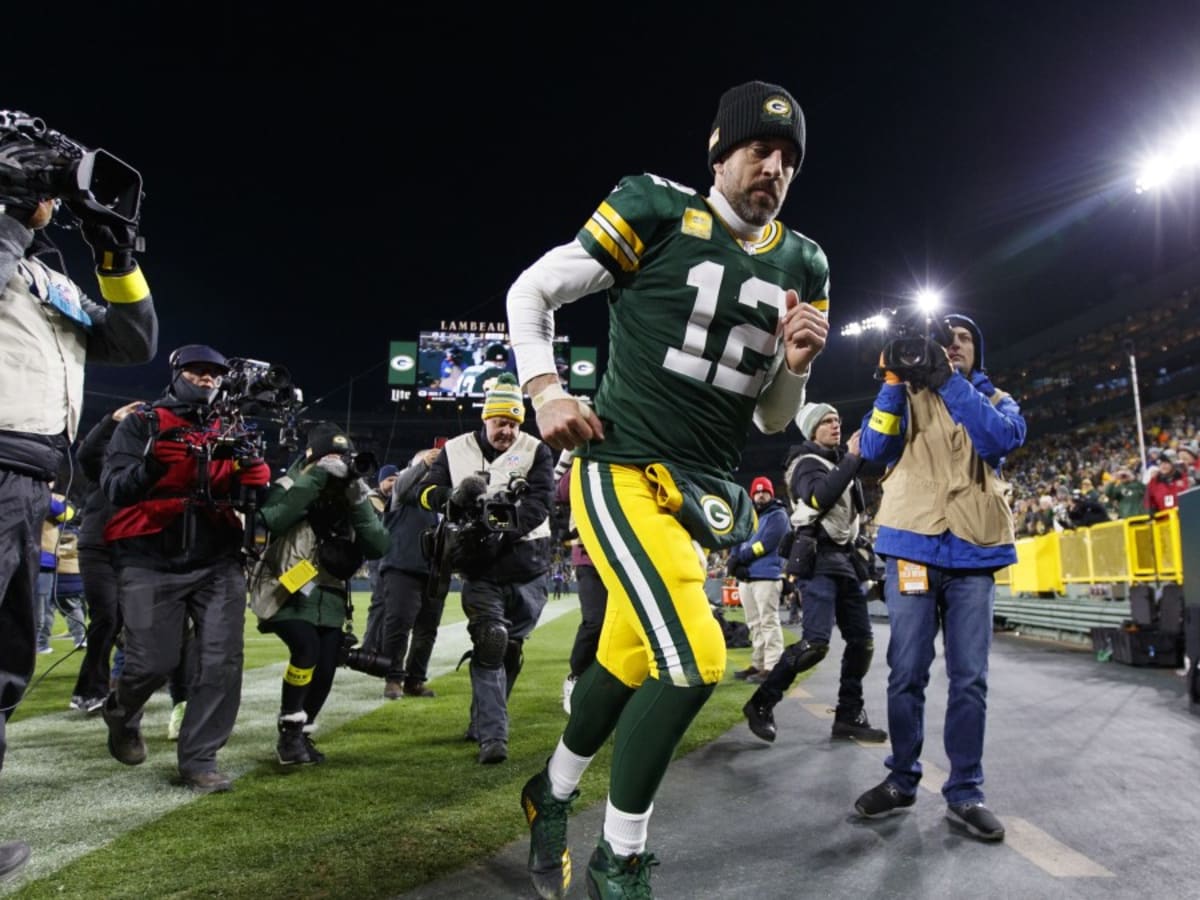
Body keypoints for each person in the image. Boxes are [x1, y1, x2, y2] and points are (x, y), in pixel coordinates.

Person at [507, 79, 829, 898]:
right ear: (719, 152)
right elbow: (532, 291)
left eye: (788, 158)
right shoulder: (653, 208)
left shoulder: (806, 261)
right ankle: (620, 855)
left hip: (701, 493)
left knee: (623, 655)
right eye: (759, 148)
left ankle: (550, 792)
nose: (774, 167)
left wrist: (797, 366)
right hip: (624, 466)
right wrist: (545, 389)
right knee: (695, 657)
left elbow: (772, 419)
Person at [0, 108, 158, 871]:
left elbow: (133, 340)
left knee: (5, 668)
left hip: (27, 483)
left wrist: (113, 250)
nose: (57, 198)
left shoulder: (42, 272)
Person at [853, 313, 1025, 843]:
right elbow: (874, 451)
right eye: (944, 339)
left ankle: (966, 790)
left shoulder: (999, 400)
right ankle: (902, 778)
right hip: (911, 547)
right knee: (906, 669)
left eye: (965, 338)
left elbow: (999, 441)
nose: (954, 343)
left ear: (978, 350)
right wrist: (891, 382)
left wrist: (947, 379)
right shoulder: (903, 396)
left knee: (969, 677)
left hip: (974, 550)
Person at [100, 344, 271, 794]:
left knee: (221, 661)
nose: (208, 380)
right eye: (197, 372)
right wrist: (153, 466)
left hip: (217, 557)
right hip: (150, 556)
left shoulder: (231, 429)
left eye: (214, 374)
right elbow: (114, 488)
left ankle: (199, 759)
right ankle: (121, 710)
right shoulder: (144, 423)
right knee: (151, 662)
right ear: (176, 374)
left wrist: (257, 484)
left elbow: (250, 500)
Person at [417, 374, 555, 765]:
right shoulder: (455, 449)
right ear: (485, 418)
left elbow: (541, 502)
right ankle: (494, 738)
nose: (507, 430)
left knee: (510, 648)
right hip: (478, 568)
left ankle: (482, 721)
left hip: (526, 564)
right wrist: (454, 498)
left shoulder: (537, 450)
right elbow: (426, 491)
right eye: (500, 422)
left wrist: (499, 530)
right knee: (491, 641)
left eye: (513, 423)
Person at [743, 403, 887, 744]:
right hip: (818, 557)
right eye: (826, 421)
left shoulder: (838, 462)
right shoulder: (804, 462)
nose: (835, 425)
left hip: (845, 559)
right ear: (811, 430)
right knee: (814, 645)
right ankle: (761, 703)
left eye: (837, 419)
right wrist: (853, 459)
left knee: (862, 642)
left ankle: (849, 714)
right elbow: (819, 497)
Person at [250, 422, 390, 765]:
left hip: (329, 593)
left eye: (343, 458)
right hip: (284, 586)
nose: (338, 464)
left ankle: (301, 734)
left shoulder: (353, 492)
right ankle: (289, 731)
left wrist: (358, 500)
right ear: (312, 458)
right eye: (331, 457)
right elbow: (273, 520)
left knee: (326, 665)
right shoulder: (289, 483)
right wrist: (314, 480)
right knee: (305, 648)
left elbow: (378, 544)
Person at [70, 401, 144, 713]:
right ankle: (90, 691)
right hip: (98, 549)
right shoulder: (106, 467)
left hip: (134, 552)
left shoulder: (148, 473)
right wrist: (111, 420)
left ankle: (126, 681)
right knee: (107, 618)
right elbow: (85, 454)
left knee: (133, 621)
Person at [377, 446, 443, 701]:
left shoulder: (438, 496)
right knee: (399, 624)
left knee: (428, 629)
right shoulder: (402, 494)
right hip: (402, 567)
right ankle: (393, 678)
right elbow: (401, 485)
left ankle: (415, 679)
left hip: (435, 570)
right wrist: (423, 462)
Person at [554, 451, 608, 716]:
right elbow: (558, 492)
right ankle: (576, 677)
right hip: (589, 556)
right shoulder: (581, 463)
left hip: (625, 554)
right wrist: (575, 457)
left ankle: (611, 685)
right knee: (595, 620)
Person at [726, 476, 788, 684]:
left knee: (768, 622)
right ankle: (758, 664)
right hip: (749, 576)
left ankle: (773, 667)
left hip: (767, 576)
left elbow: (766, 543)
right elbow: (737, 539)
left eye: (765, 491)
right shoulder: (748, 516)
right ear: (753, 495)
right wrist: (735, 561)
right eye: (757, 492)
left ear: (771, 494)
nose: (761, 494)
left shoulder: (778, 515)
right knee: (754, 624)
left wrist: (739, 559)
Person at [361, 462, 400, 655]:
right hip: (377, 557)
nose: (394, 484)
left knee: (390, 604)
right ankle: (369, 646)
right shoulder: (371, 500)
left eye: (397, 480)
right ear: (380, 481)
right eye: (390, 480)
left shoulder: (396, 500)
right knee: (380, 601)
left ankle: (383, 647)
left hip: (392, 556)